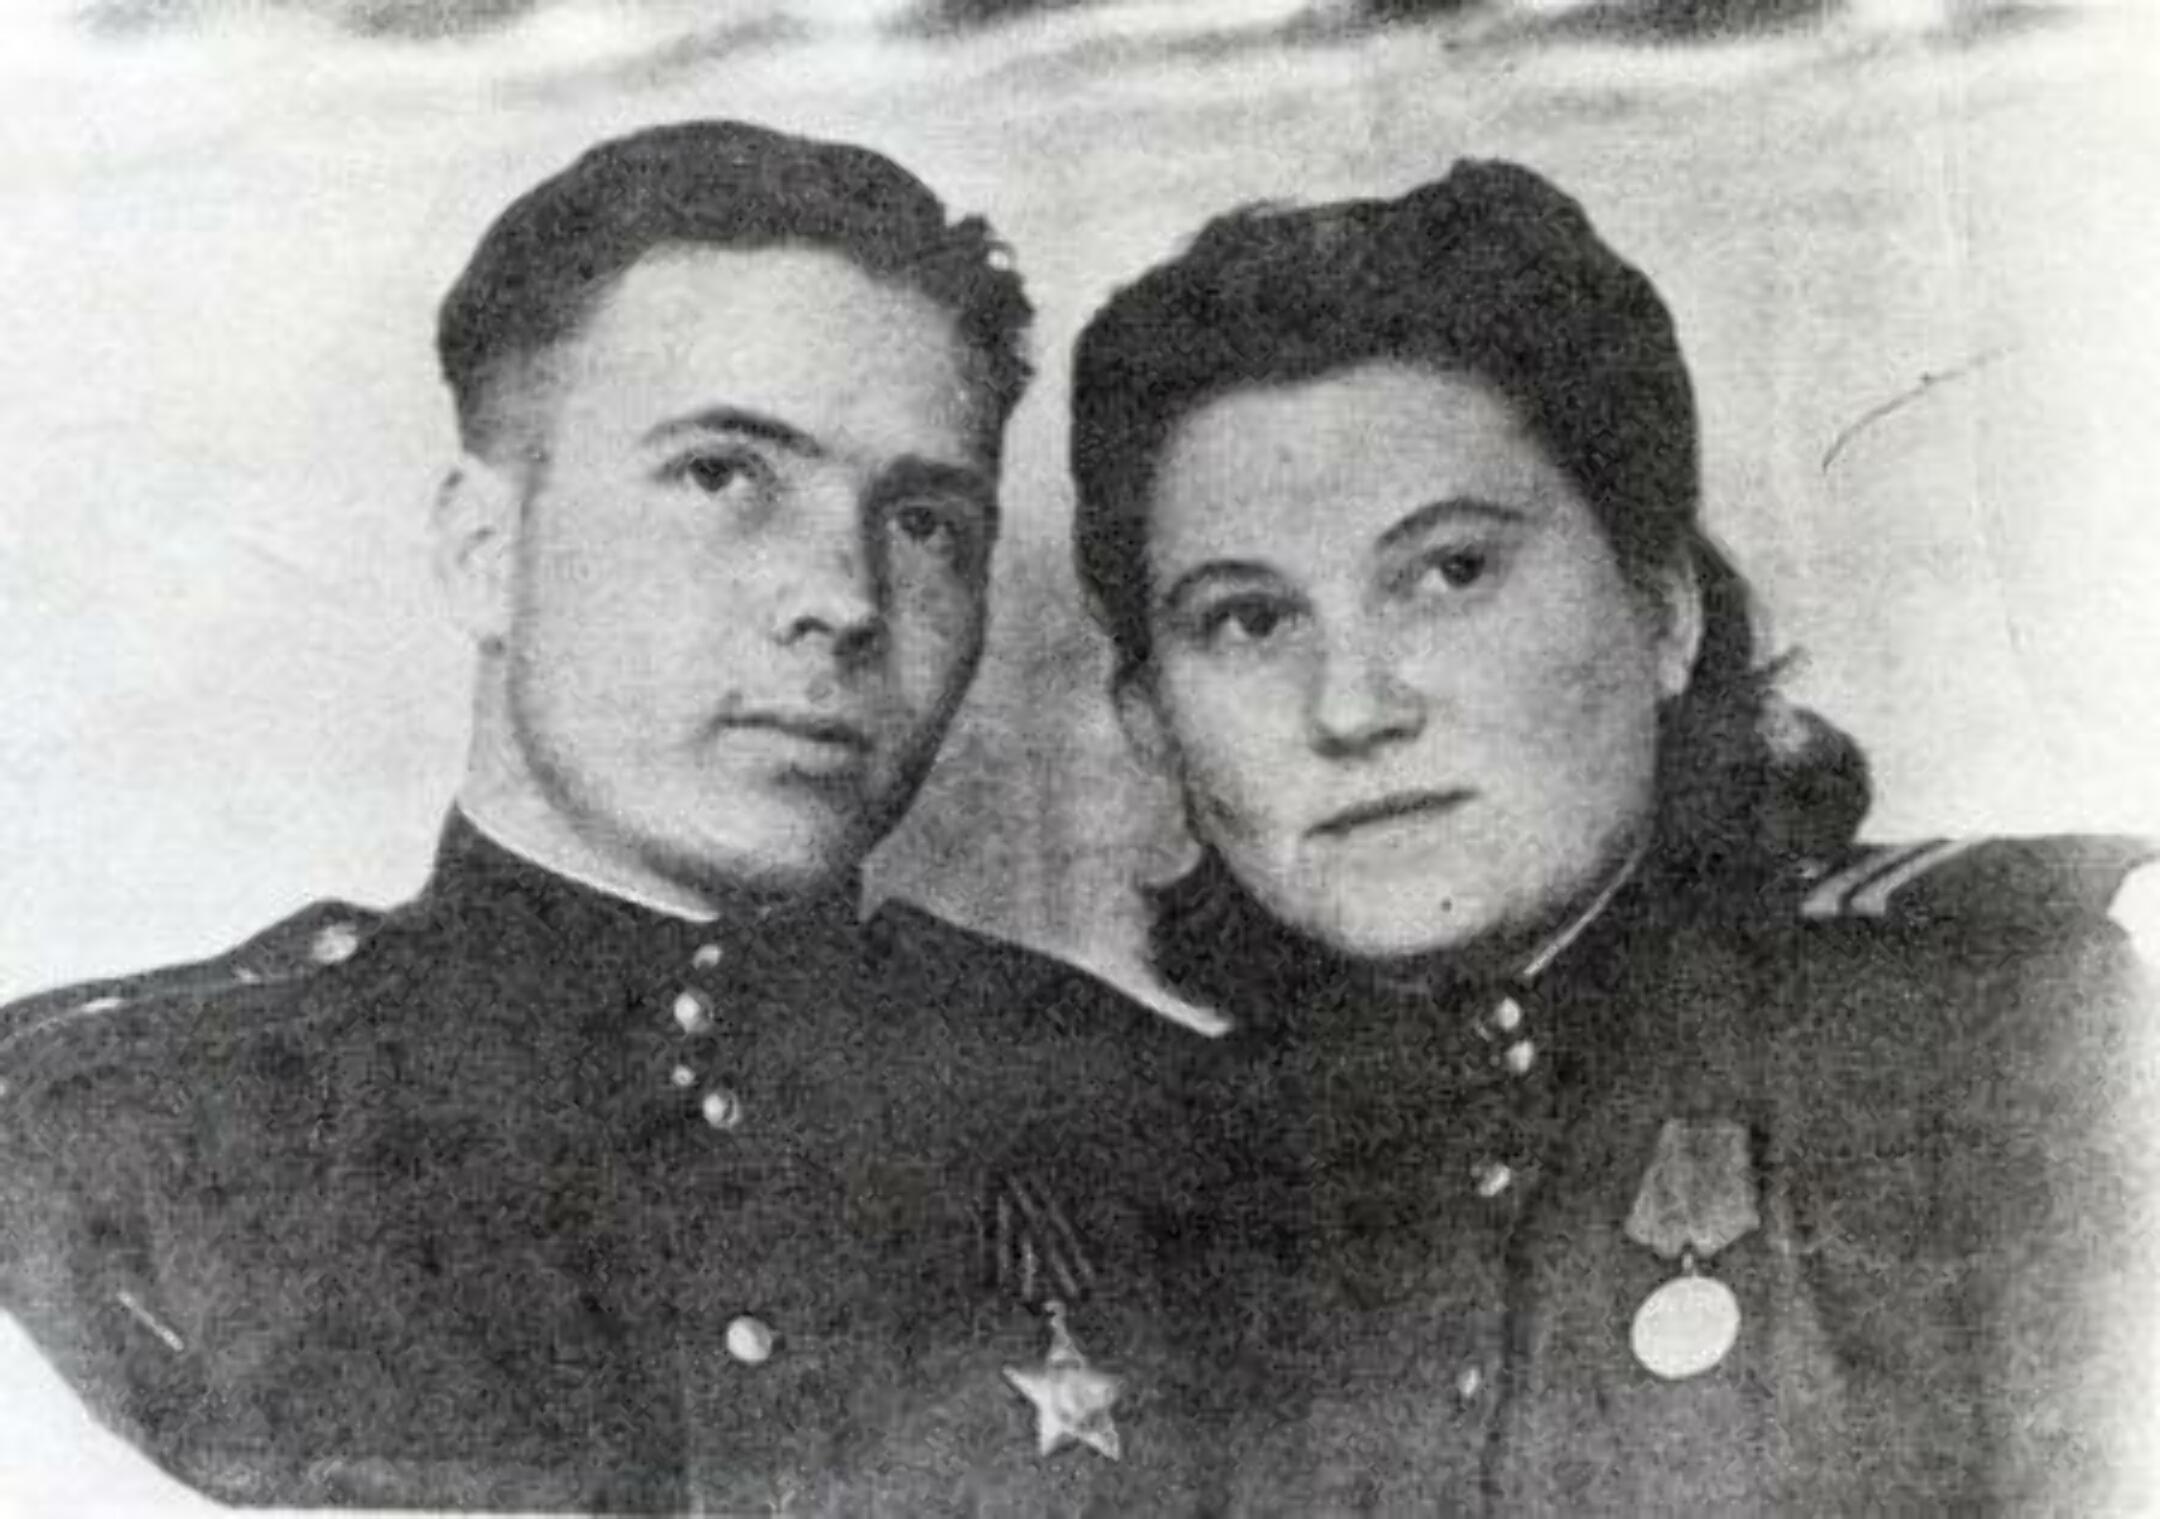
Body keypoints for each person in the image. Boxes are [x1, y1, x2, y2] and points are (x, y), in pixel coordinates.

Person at [0, 119, 1167, 1512]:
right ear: (484, 551)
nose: (845, 599)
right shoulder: (94, 1152)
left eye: (925, 521)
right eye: (723, 475)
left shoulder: (1159, 1130)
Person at [1005, 160, 2160, 1513]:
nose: (1353, 708)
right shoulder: (1140, 1193)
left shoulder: (2005, 1044)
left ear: (1662, 614)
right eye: (1248, 620)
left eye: (1451, 572)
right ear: (1150, 719)